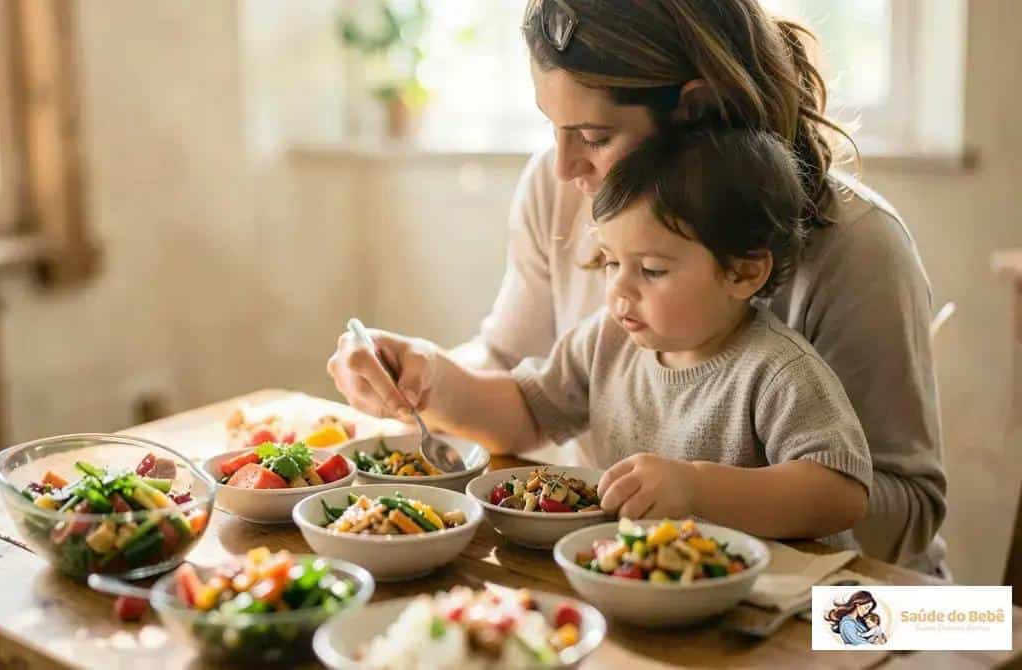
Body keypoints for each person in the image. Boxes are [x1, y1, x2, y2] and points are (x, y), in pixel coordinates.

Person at [328, 0, 945, 573]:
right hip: (633, 576)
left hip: (862, 614)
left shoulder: (858, 248)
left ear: (694, 113)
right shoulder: (562, 185)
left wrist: (701, 499)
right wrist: (425, 374)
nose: (565, 165)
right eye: (553, 125)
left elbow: (900, 514)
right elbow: (518, 380)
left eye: (595, 137)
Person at [337, 125, 873, 542]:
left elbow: (839, 494)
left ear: (742, 272)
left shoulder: (776, 370)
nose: (619, 292)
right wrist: (428, 376)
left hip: (781, 610)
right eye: (610, 262)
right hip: (640, 589)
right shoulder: (608, 340)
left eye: (653, 270)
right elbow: (525, 415)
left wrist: (697, 488)